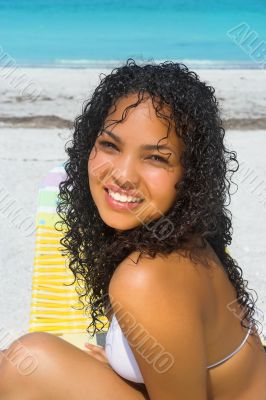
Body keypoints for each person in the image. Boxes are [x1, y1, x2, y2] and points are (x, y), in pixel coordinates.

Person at [0, 58, 265, 399]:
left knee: (27, 361)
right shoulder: (175, 237)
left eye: (156, 157)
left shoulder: (145, 279)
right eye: (110, 145)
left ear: (189, 176)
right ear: (88, 147)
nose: (123, 175)